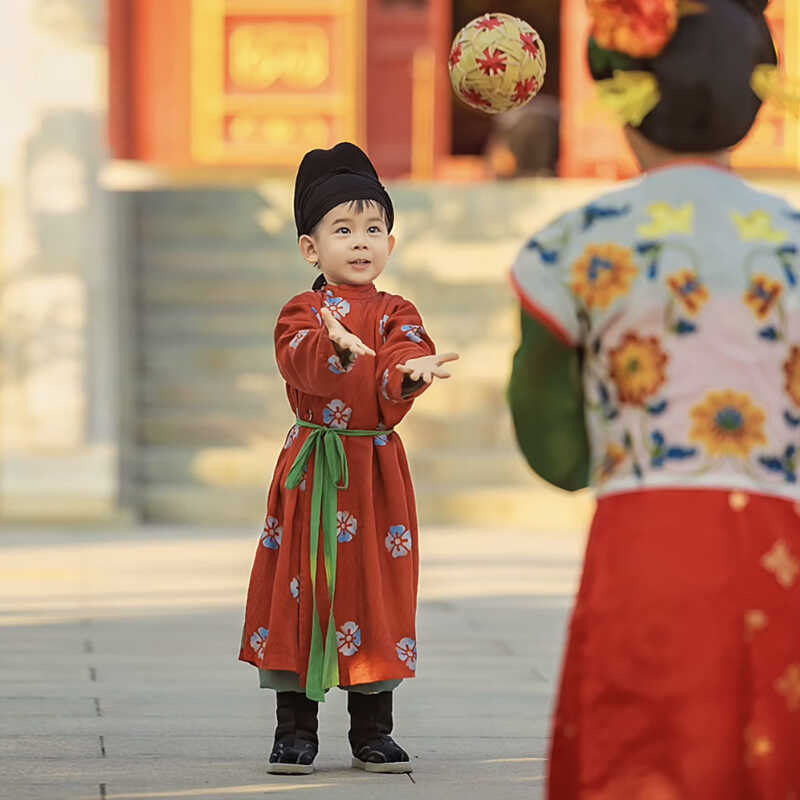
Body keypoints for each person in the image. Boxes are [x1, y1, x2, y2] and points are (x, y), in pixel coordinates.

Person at [508, 0, 800, 797]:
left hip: (644, 542)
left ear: (628, 96)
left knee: (637, 754)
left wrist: (587, 455)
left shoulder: (576, 244)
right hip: (784, 539)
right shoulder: (794, 238)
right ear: (758, 95)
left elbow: (553, 441)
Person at [239, 142, 458, 776]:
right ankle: (295, 729)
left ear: (390, 240)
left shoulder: (398, 312)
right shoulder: (301, 312)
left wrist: (410, 373)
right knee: (301, 587)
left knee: (376, 589)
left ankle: (373, 731)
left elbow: (401, 356)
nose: (361, 242)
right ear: (311, 248)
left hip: (376, 473)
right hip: (314, 469)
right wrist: (333, 349)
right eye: (343, 229)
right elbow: (300, 358)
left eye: (374, 229)